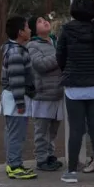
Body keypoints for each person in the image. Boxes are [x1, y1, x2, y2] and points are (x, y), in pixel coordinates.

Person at [56, 0, 94, 184]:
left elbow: (60, 57)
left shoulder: (66, 30)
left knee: (76, 130)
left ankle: (71, 171)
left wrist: (69, 70)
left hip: (74, 86)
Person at [0, 15, 37, 180]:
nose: (30, 30)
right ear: (21, 32)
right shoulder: (15, 52)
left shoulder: (15, 49)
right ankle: (14, 165)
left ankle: (14, 163)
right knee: (16, 134)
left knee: (13, 132)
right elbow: (16, 80)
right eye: (27, 27)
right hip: (15, 99)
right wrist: (21, 103)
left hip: (14, 99)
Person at [26, 15, 64, 172]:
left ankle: (50, 155)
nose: (45, 22)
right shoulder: (33, 45)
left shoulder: (55, 42)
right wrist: (60, 56)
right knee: (42, 129)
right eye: (39, 21)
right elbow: (40, 64)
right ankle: (41, 159)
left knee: (53, 129)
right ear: (34, 29)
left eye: (45, 19)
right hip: (43, 93)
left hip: (58, 92)